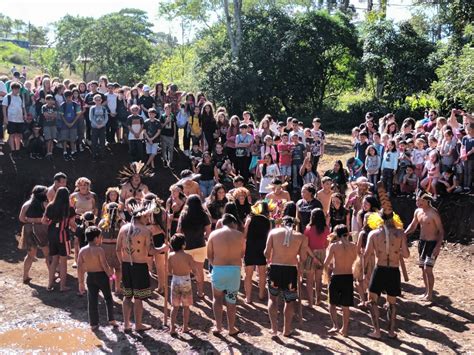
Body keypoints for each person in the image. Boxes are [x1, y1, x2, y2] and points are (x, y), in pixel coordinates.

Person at [364, 190, 409, 339]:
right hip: (394, 269)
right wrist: (397, 251)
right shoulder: (400, 234)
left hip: (380, 268)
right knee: (392, 302)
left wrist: (365, 271)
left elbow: (367, 254)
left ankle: (376, 331)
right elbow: (407, 254)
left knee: (372, 300)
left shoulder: (373, 234)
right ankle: (391, 331)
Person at [116, 202, 167, 332]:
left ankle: (127, 324)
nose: (148, 219)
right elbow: (150, 251)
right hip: (139, 267)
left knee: (127, 296)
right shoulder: (146, 231)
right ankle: (138, 325)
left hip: (126, 266)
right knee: (138, 298)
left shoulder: (123, 228)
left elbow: (117, 249)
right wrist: (163, 248)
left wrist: (123, 263)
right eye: (147, 217)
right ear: (142, 216)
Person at [264, 216, 308, 337]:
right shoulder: (301, 237)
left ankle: (273, 329)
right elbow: (303, 257)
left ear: (282, 223)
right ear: (294, 225)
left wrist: (275, 254)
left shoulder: (273, 232)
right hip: (290, 270)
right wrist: (296, 256)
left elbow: (266, 253)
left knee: (272, 298)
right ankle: (286, 330)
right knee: (289, 301)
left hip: (275, 268)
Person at [207, 213, 245, 336]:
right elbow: (242, 254)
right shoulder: (240, 235)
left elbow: (209, 255)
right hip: (234, 271)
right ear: (233, 223)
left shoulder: (213, 234)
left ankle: (218, 327)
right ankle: (231, 328)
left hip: (219, 269)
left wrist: (215, 265)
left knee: (217, 298)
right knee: (231, 300)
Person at [404, 192, 444, 301]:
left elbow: (441, 231)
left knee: (428, 269)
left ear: (427, 201)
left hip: (432, 244)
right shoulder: (418, 211)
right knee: (423, 269)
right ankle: (427, 292)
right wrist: (404, 234)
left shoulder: (433, 213)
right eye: (417, 200)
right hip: (422, 243)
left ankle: (430, 295)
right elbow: (413, 225)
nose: (418, 203)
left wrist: (438, 246)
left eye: (420, 201)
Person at [77, 226, 118, 330]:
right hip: (102, 277)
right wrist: (112, 276)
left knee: (92, 300)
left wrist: (81, 282)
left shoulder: (82, 250)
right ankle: (111, 319)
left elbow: (79, 267)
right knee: (108, 297)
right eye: (100, 237)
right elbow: (105, 265)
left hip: (90, 277)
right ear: (96, 238)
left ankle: (93, 323)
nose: (101, 239)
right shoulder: (99, 250)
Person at [323, 225, 357, 337]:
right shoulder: (353, 246)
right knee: (345, 306)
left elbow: (326, 263)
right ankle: (345, 329)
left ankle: (335, 325)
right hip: (348, 277)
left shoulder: (334, 246)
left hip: (336, 276)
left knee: (332, 303)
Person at [177, 195, 212, 298]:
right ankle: (200, 292)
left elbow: (178, 231)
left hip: (186, 246)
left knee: (185, 271)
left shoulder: (183, 214)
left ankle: (185, 293)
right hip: (200, 245)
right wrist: (201, 235)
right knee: (199, 270)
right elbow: (208, 232)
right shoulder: (203, 215)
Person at [42, 187, 76, 292]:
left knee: (54, 260)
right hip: (63, 236)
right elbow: (71, 224)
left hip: (52, 235)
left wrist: (51, 223)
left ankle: (49, 285)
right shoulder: (69, 208)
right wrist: (77, 230)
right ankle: (62, 286)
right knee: (63, 261)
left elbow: (44, 221)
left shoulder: (50, 205)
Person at [18, 185, 50, 284]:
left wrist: (30, 220)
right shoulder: (45, 204)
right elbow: (48, 219)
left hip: (28, 229)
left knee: (30, 255)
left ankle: (25, 276)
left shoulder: (26, 204)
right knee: (48, 254)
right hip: (42, 229)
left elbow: (21, 218)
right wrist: (39, 221)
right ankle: (51, 275)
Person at [168, 233, 197, 336]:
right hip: (185, 280)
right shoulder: (188, 256)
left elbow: (169, 270)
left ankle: (172, 328)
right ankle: (185, 327)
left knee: (174, 306)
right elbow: (194, 269)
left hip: (175, 280)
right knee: (186, 306)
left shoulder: (170, 256)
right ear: (183, 244)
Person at [243, 201, 272, 304]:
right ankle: (261, 295)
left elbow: (245, 234)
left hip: (251, 246)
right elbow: (269, 235)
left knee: (248, 274)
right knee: (262, 273)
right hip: (262, 247)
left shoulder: (249, 219)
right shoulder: (268, 221)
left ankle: (248, 298)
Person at [303, 208, 329, 307]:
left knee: (309, 280)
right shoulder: (326, 229)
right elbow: (326, 243)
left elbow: (306, 245)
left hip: (310, 254)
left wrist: (313, 256)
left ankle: (310, 302)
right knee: (318, 279)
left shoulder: (308, 228)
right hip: (322, 253)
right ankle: (318, 299)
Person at [98, 202, 124, 295]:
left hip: (105, 247)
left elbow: (98, 237)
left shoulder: (102, 222)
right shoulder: (121, 222)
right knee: (118, 269)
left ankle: (109, 287)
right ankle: (117, 288)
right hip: (117, 248)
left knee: (109, 270)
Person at [2, 82, 26, 156]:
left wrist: (25, 114)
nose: (17, 90)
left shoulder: (20, 97)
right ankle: (13, 151)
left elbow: (23, 107)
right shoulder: (8, 97)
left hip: (19, 119)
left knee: (18, 135)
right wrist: (5, 117)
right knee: (12, 135)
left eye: (18, 89)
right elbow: (4, 107)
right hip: (11, 119)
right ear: (12, 89)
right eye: (15, 89)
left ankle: (17, 150)